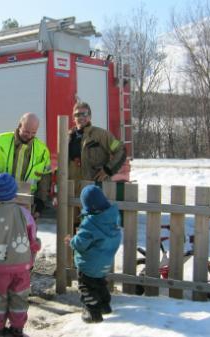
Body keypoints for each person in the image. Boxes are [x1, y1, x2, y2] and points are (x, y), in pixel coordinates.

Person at [0, 173, 41, 337]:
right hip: (22, 265)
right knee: (19, 297)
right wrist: (33, 251)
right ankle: (17, 328)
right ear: (14, 192)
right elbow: (33, 237)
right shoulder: (24, 214)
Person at [0, 112, 51, 220]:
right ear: (19, 126)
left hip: (25, 204)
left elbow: (45, 179)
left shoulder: (42, 150)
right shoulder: (0, 141)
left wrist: (40, 204)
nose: (29, 136)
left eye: (33, 133)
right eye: (26, 131)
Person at [65, 185, 121, 323]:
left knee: (86, 288)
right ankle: (105, 306)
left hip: (88, 265)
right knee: (100, 284)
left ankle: (93, 312)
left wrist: (71, 241)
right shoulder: (113, 218)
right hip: (105, 263)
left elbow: (80, 244)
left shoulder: (90, 224)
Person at [68, 102, 126, 182]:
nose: (81, 117)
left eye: (84, 114)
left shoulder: (102, 135)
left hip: (96, 187)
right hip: (73, 188)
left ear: (90, 116)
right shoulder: (67, 138)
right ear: (73, 118)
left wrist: (108, 169)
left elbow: (120, 149)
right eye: (77, 115)